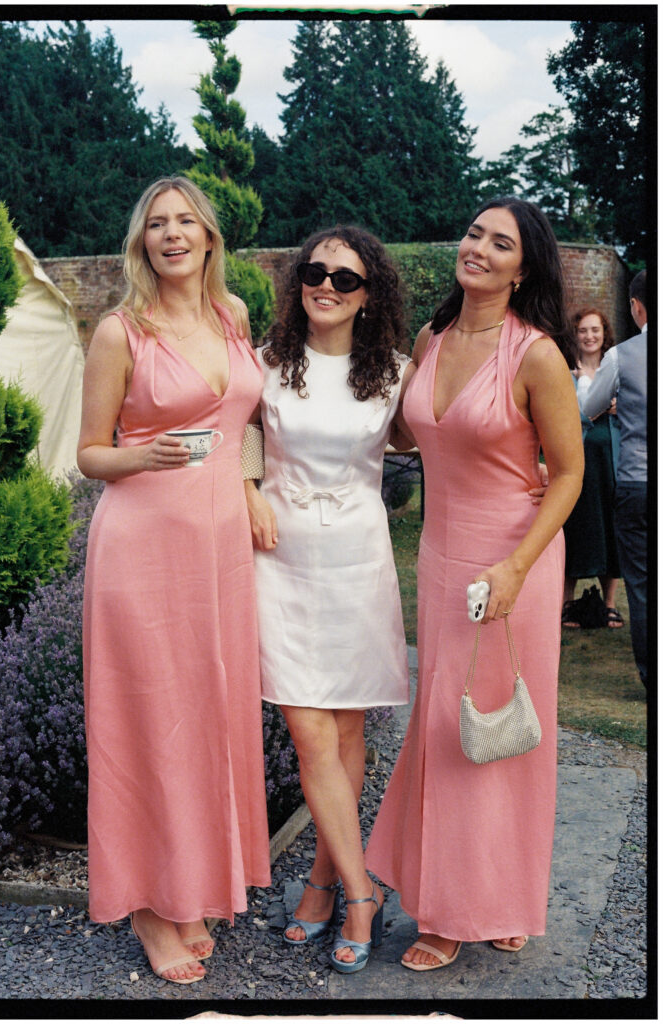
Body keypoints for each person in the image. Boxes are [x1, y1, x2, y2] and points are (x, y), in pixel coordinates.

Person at [365, 197, 584, 970]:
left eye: (500, 243)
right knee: (444, 729)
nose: (478, 249)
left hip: (512, 559)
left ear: (522, 269)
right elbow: (405, 432)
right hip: (439, 555)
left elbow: (568, 475)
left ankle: (493, 900)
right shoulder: (431, 338)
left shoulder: (536, 355)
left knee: (501, 730)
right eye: (473, 233)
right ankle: (455, 899)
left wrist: (516, 568)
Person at [78, 176, 271, 984]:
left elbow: (243, 420)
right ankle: (151, 908)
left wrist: (250, 487)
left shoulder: (234, 317)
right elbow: (89, 454)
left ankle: (188, 887)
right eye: (156, 224)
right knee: (147, 723)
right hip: (143, 549)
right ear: (141, 243)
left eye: (185, 221)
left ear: (209, 237)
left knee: (206, 716)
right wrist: (142, 455)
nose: (171, 234)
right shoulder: (120, 332)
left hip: (217, 554)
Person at [244, 226, 412, 974]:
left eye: (345, 278)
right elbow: (234, 433)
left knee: (346, 731)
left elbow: (446, 436)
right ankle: (361, 893)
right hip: (279, 561)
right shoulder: (266, 363)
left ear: (369, 295)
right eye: (315, 272)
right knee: (309, 733)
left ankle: (320, 882)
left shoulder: (396, 374)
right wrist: (246, 488)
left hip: (356, 564)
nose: (327, 286)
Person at [582, 271, 647, 687]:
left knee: (641, 584)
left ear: (636, 306)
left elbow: (589, 407)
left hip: (638, 482)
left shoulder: (622, 356)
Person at [561, 308, 622, 629]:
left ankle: (610, 605)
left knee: (610, 530)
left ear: (604, 333)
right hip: (576, 464)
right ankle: (567, 604)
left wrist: (621, 406)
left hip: (611, 462)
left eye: (595, 330)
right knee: (574, 528)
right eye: (583, 330)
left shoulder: (617, 370)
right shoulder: (564, 373)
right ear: (575, 335)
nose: (589, 336)